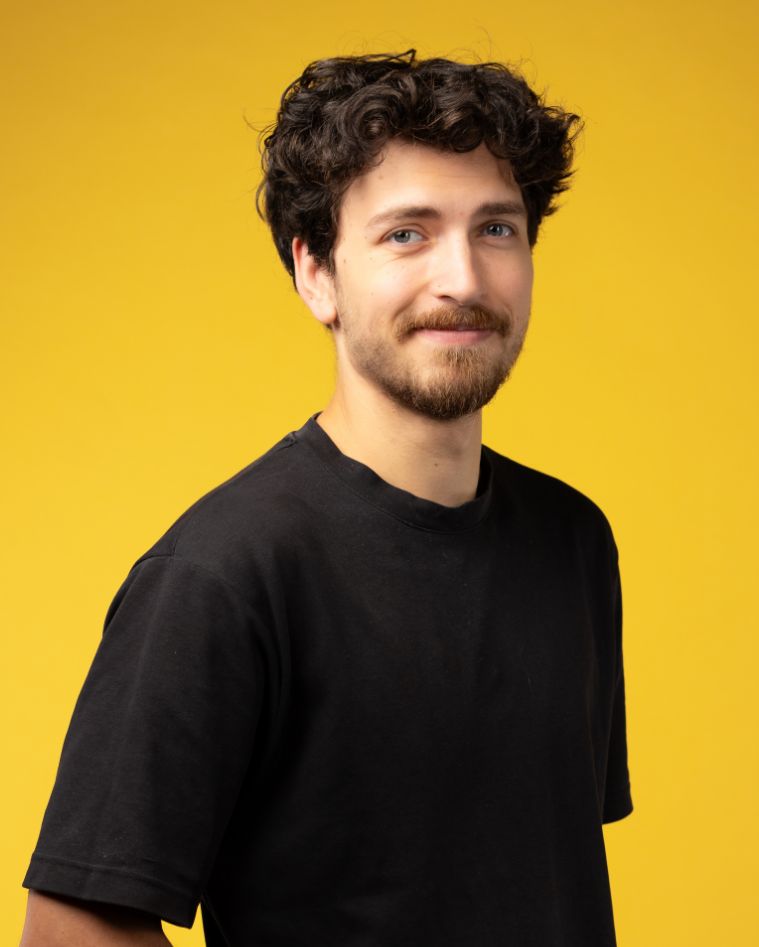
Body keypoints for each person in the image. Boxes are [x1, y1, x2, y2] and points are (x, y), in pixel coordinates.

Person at [20, 50, 633, 946]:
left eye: (496, 229)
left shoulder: (572, 540)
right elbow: (69, 927)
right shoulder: (223, 574)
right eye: (406, 234)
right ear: (315, 273)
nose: (463, 279)